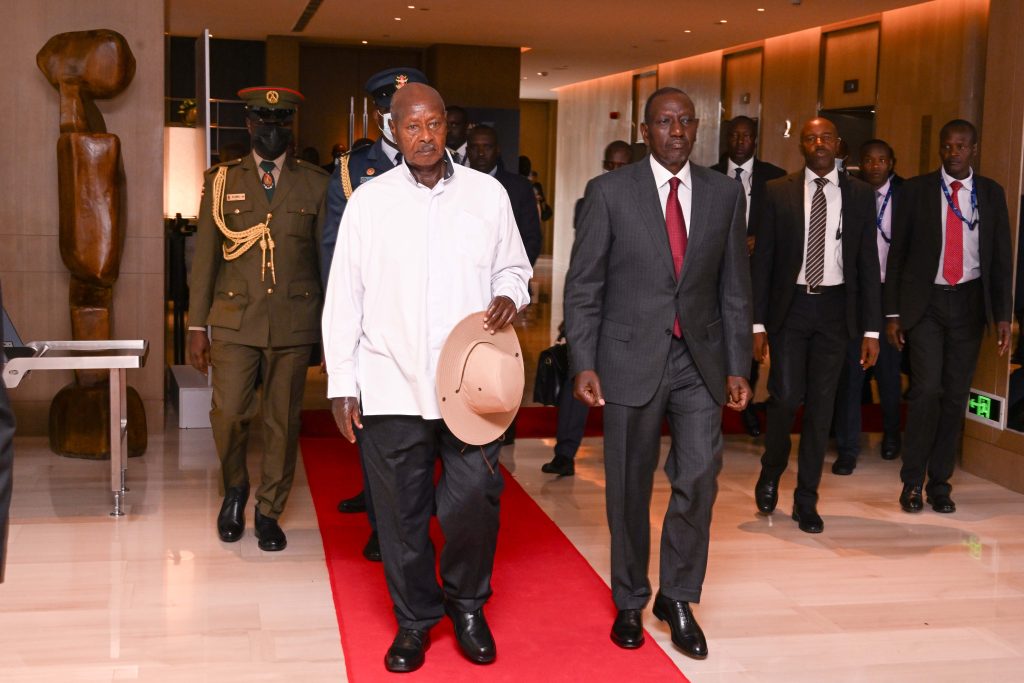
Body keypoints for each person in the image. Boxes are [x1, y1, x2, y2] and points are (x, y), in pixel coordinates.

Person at [322, 83, 531, 673]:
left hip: (470, 383)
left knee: (472, 503)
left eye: (434, 124)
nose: (424, 136)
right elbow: (345, 297)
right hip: (390, 381)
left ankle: (467, 604)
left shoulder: (487, 196)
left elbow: (515, 268)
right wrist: (343, 381)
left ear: (448, 127)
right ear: (394, 130)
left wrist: (509, 295)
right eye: (411, 126)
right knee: (400, 514)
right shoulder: (370, 201)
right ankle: (414, 620)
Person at [565, 87, 752, 659]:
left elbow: (734, 288)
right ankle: (629, 598)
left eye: (685, 122)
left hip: (699, 360)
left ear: (697, 130)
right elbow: (584, 286)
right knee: (627, 484)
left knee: (698, 477)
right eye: (664, 122)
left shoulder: (723, 194)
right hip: (628, 359)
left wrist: (738, 364)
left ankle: (677, 596)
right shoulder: (609, 192)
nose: (676, 131)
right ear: (645, 131)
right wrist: (585, 361)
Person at [188, 86, 329, 552]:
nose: (272, 131)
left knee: (283, 421)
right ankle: (234, 489)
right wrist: (195, 326)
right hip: (234, 317)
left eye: (281, 123)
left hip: (293, 319)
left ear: (291, 128)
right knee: (227, 414)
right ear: (248, 125)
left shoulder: (315, 182)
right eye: (263, 123)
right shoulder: (221, 180)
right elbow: (205, 259)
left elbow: (326, 262)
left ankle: (269, 510)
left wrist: (333, 332)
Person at [751, 116, 880, 534]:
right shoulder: (777, 192)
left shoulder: (861, 195)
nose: (819, 143)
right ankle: (771, 470)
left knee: (822, 408)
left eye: (825, 137)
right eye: (811, 138)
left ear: (838, 144)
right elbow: (764, 260)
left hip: (836, 311)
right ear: (802, 146)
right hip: (791, 309)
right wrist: (757, 323)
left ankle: (806, 499)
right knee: (786, 397)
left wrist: (871, 330)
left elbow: (867, 263)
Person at [322, 67, 430, 563]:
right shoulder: (353, 170)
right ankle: (384, 522)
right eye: (388, 106)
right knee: (377, 430)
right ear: (380, 113)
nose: (395, 114)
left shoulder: (444, 166)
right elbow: (334, 259)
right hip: (375, 329)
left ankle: (410, 520)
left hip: (430, 327)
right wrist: (340, 339)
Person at [885, 119, 1012, 514]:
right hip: (926, 304)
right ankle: (911, 482)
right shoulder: (918, 190)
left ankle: (940, 483)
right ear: (939, 149)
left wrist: (1004, 314)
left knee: (956, 396)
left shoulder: (991, 193)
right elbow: (897, 255)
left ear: (973, 149)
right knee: (926, 391)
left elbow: (1001, 258)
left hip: (971, 304)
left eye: (960, 146)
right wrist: (893, 313)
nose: (953, 152)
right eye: (947, 146)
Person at [542, 139, 632, 477]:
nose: (617, 171)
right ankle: (565, 453)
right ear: (605, 165)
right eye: (612, 165)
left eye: (624, 165)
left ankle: (624, 459)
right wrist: (574, 315)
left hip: (631, 312)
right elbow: (583, 263)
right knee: (576, 379)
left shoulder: (651, 200)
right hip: (596, 307)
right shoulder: (591, 200)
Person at [711, 115, 787, 437]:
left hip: (758, 275)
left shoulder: (776, 179)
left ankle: (748, 403)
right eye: (735, 136)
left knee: (751, 342)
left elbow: (787, 228)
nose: (740, 142)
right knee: (716, 340)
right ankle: (712, 408)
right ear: (727, 139)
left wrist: (761, 240)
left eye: (747, 137)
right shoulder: (708, 177)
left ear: (755, 141)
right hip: (715, 274)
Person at [832, 139, 905, 474]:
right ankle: (848, 446)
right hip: (855, 293)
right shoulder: (851, 192)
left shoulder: (908, 194)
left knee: (889, 373)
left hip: (891, 294)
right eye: (869, 160)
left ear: (891, 162)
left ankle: (892, 435)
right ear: (861, 163)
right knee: (852, 372)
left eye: (882, 160)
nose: (875, 166)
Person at [466, 124, 542, 265]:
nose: (481, 153)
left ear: (498, 150)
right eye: (475, 147)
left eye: (487, 147)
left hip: (508, 280)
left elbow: (531, 239)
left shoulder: (520, 187)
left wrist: (510, 277)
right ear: (467, 151)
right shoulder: (453, 186)